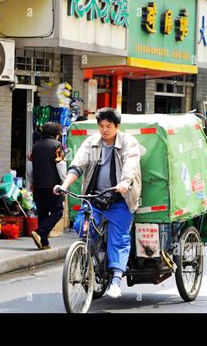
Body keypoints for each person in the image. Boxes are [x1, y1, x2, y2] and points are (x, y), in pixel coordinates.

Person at [54, 108, 142, 299]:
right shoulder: (92, 143)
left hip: (120, 198)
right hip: (94, 198)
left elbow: (131, 165)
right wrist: (64, 185)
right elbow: (78, 165)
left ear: (117, 126)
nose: (104, 130)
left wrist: (125, 183)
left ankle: (116, 280)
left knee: (119, 240)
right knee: (81, 226)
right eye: (101, 126)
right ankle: (94, 259)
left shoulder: (129, 142)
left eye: (108, 126)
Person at [29, 122, 65, 250]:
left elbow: (31, 168)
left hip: (38, 186)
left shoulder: (35, 146)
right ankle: (39, 233)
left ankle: (44, 243)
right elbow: (60, 166)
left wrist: (31, 182)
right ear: (56, 134)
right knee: (58, 211)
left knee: (43, 213)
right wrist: (65, 183)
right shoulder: (57, 146)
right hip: (53, 187)